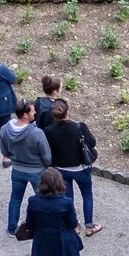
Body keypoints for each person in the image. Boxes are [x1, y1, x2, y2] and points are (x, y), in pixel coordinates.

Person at [43, 98, 100, 236]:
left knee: (68, 197)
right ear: (67, 111)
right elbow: (92, 143)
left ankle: (74, 225)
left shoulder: (49, 130)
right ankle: (89, 226)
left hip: (61, 170)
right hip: (81, 168)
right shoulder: (79, 126)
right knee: (87, 195)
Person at [0, 99, 52, 235]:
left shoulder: (5, 129)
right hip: (37, 172)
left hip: (17, 170)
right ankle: (45, 226)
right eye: (33, 111)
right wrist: (47, 166)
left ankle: (12, 228)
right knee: (43, 199)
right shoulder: (37, 133)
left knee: (15, 198)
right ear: (25, 115)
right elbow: (47, 156)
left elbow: (4, 151)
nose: (35, 112)